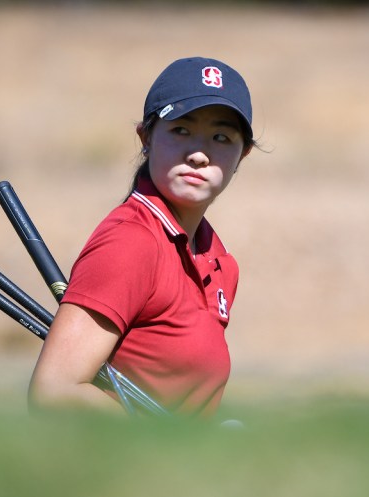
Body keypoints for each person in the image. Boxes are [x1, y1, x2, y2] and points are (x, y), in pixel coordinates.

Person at [28, 57, 256, 418]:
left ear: (242, 155)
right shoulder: (130, 243)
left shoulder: (218, 261)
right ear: (146, 137)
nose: (199, 154)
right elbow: (56, 391)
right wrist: (163, 440)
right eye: (181, 130)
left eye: (221, 137)